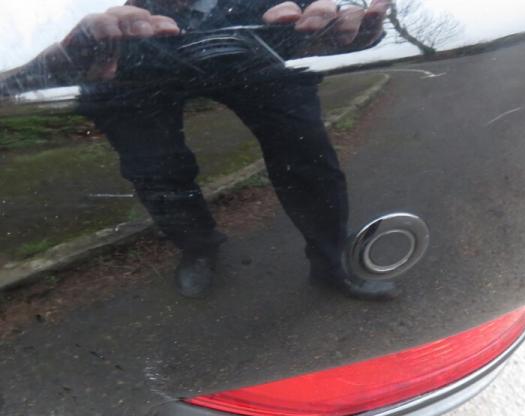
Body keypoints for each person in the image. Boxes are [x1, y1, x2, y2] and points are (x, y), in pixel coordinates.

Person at [4, 0, 398, 300]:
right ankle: (198, 247)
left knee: (305, 150)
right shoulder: (112, 26)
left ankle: (332, 258)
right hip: (137, 46)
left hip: (257, 30)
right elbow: (30, 71)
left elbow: (338, 21)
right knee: (153, 167)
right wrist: (65, 59)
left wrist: (354, 27)